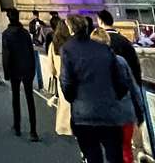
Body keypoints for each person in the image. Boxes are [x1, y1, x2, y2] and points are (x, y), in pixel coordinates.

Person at [60, 14, 130, 163]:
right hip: (109, 112)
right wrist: (112, 99)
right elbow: (122, 82)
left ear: (71, 29)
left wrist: (75, 100)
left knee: (93, 156)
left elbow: (67, 84)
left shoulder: (68, 49)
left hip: (84, 114)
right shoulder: (104, 49)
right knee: (115, 157)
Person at [91, 28, 144, 163]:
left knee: (108, 152)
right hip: (125, 112)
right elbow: (133, 88)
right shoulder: (121, 61)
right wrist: (140, 112)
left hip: (105, 116)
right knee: (125, 149)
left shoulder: (89, 64)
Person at [2, 7, 39, 141]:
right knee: (30, 99)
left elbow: (6, 55)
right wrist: (33, 70)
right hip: (27, 69)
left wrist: (6, 72)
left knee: (16, 98)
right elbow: (30, 51)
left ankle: (17, 127)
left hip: (14, 70)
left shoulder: (6, 34)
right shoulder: (24, 33)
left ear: (8, 17)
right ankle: (33, 131)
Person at [97, 10, 142, 86]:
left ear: (101, 22)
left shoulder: (98, 41)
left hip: (108, 87)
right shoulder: (125, 41)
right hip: (126, 85)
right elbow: (135, 66)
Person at [46, 19, 73, 137]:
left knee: (64, 103)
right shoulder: (72, 43)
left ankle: (64, 127)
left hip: (61, 77)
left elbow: (50, 65)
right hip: (73, 76)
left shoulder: (54, 45)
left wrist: (54, 73)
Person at [28, 9, 46, 90]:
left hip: (38, 43)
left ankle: (39, 83)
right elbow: (32, 32)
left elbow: (43, 29)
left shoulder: (39, 22)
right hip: (37, 42)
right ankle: (39, 83)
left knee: (38, 63)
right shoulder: (33, 23)